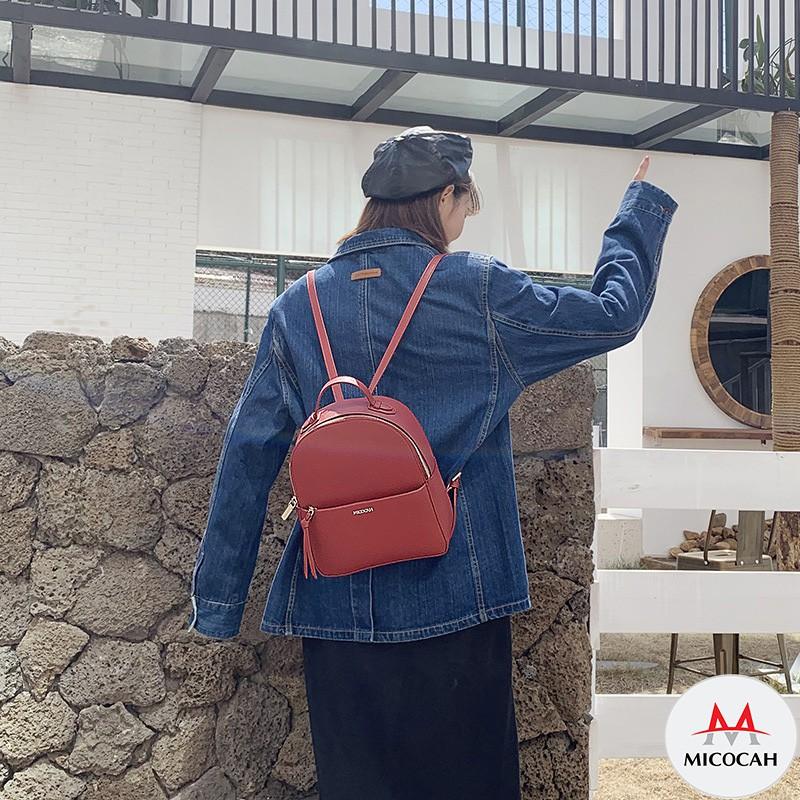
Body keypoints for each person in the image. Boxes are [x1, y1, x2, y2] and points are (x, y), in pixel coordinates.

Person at [186, 126, 678, 799]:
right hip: (459, 592)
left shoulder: (297, 306)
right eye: (467, 204)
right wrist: (637, 212)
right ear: (446, 196)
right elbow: (613, 315)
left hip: (336, 599)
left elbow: (247, 455)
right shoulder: (478, 289)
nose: (464, 219)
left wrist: (219, 603)